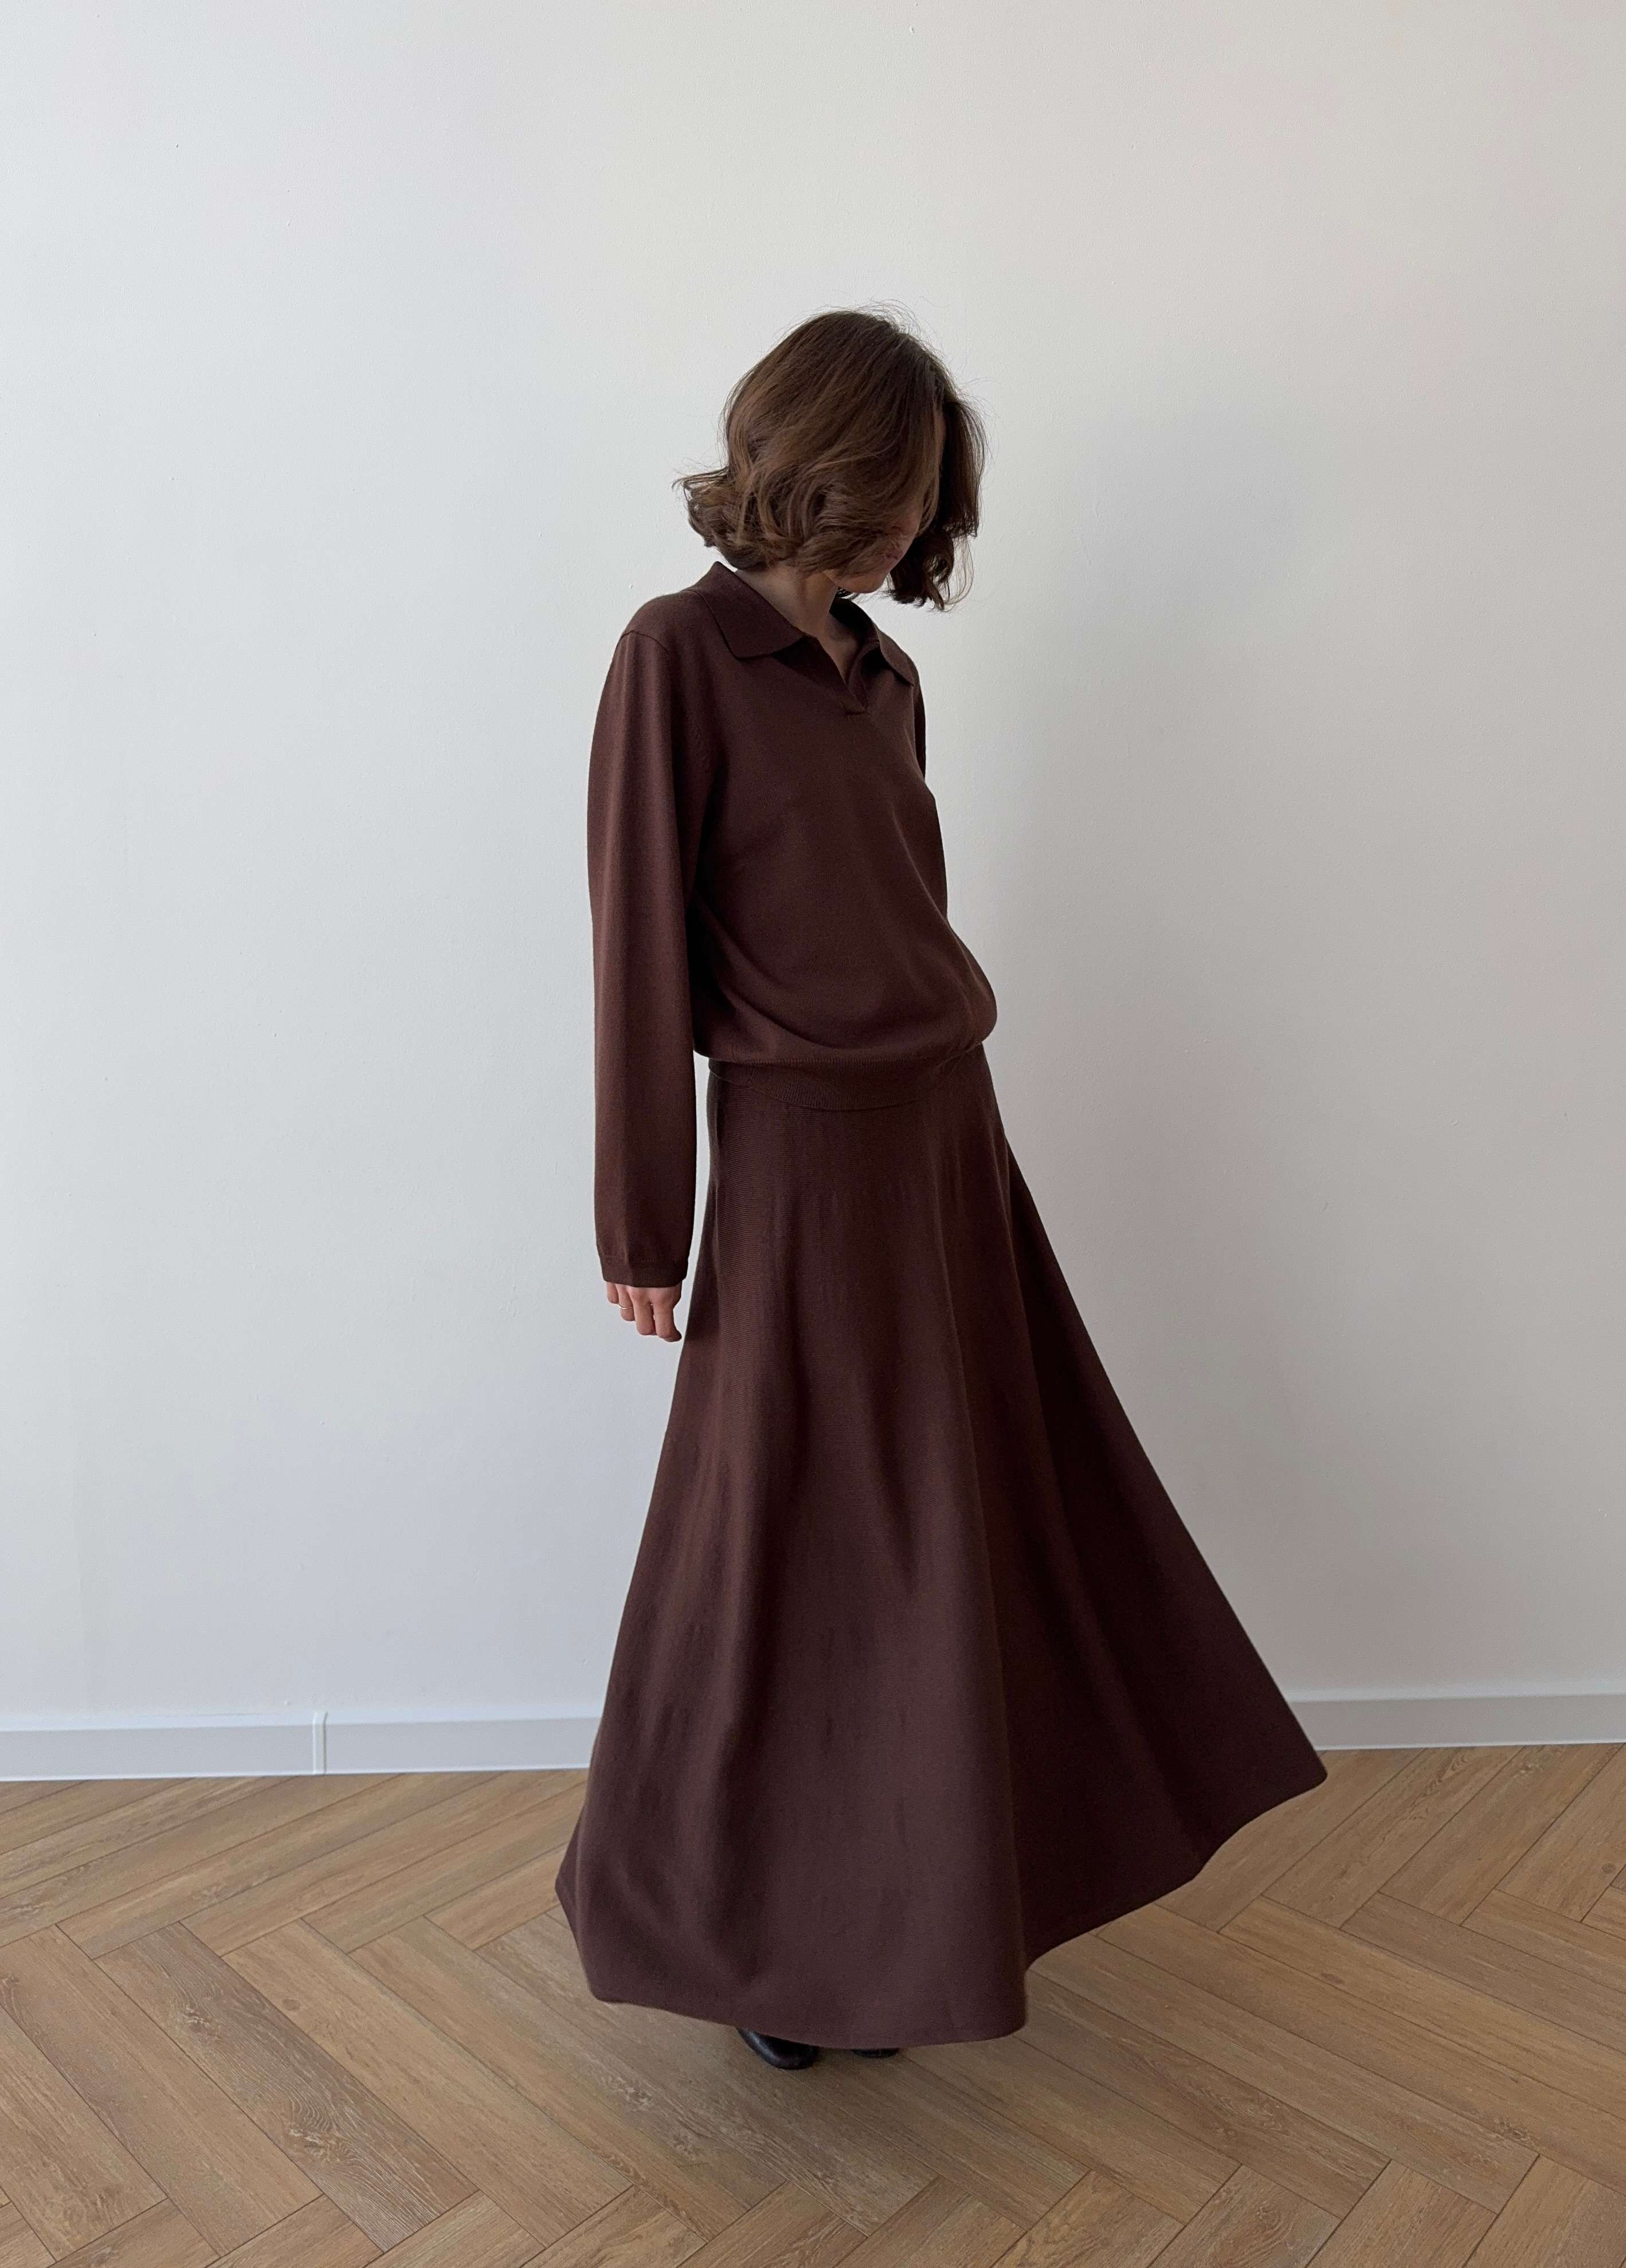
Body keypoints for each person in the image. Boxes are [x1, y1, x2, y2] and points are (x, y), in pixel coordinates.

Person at [554, 307, 1328, 2071]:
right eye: (893, 490)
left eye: (927, 496)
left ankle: (919, 1917)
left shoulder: (889, 677)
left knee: (968, 1529)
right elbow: (637, 953)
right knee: (792, 1546)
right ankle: (764, 1942)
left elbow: (896, 922)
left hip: (946, 1140)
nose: (912, 526)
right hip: (802, 1159)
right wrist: (642, 1221)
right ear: (811, 464)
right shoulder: (676, 657)